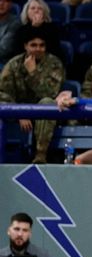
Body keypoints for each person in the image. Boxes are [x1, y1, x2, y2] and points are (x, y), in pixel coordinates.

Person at [0, 29, 65, 163]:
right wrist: (19, 112)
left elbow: (51, 94)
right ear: (25, 46)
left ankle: (40, 155)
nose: (38, 49)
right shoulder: (13, 64)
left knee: (47, 103)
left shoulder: (54, 64)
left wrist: (33, 73)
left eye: (42, 45)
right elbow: (2, 93)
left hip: (43, 114)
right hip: (17, 114)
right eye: (33, 45)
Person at [17, 0, 63, 64]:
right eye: (33, 8)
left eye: (40, 8)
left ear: (44, 12)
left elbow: (52, 49)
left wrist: (36, 27)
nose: (36, 11)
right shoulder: (21, 30)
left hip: (49, 63)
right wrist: (34, 27)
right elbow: (19, 51)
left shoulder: (52, 29)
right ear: (27, 12)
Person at [0, 0, 20, 67]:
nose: (1, 3)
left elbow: (4, 49)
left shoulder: (15, 23)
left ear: (10, 4)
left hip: (4, 64)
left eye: (5, 1)